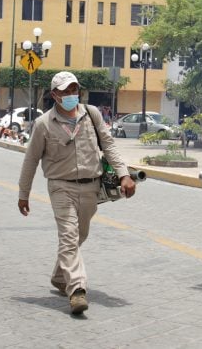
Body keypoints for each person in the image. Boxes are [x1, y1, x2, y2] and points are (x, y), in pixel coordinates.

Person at [17, 71, 136, 315]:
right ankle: (77, 290)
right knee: (69, 236)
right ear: (55, 95)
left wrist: (124, 174)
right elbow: (30, 161)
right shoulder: (43, 124)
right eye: (65, 91)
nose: (71, 95)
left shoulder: (91, 114)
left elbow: (108, 144)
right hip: (61, 186)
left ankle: (60, 276)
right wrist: (23, 193)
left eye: (74, 90)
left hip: (91, 186)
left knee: (80, 234)